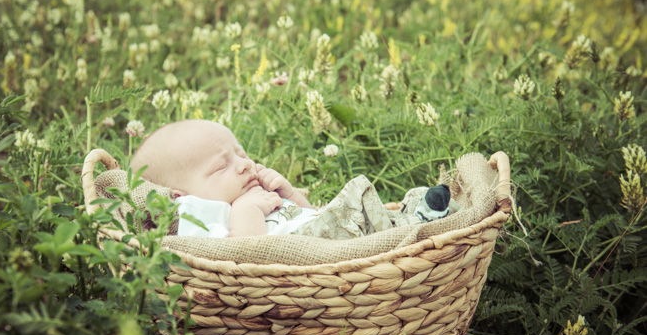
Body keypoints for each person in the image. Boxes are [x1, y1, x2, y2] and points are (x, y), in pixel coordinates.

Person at [130, 120, 458, 239]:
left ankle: (419, 215)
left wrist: (290, 195)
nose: (245, 166)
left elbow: (311, 218)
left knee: (374, 211)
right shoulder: (198, 213)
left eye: (241, 155)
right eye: (221, 167)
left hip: (322, 236)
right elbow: (242, 257)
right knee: (358, 200)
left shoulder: (255, 197)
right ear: (180, 196)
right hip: (317, 256)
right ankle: (420, 222)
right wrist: (247, 211)